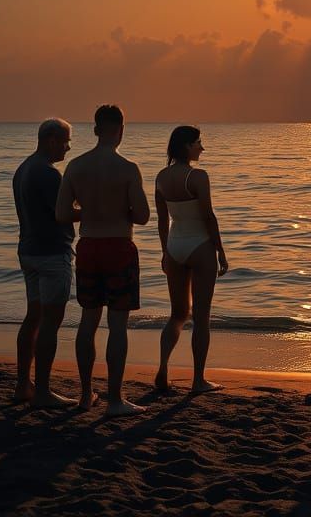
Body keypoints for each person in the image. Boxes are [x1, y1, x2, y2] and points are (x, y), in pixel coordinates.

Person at [55, 104, 150, 416]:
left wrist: (90, 211)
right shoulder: (128, 168)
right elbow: (143, 216)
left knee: (88, 321)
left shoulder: (76, 166)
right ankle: (115, 398)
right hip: (119, 247)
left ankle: (85, 394)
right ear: (121, 130)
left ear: (95, 129)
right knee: (118, 325)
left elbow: (62, 214)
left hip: (89, 247)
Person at [153, 125, 229, 394]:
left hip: (174, 245)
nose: (202, 147)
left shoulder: (161, 177)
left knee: (177, 314)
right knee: (201, 317)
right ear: (187, 146)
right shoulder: (197, 176)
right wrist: (220, 250)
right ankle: (198, 380)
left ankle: (162, 369)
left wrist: (164, 251)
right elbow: (208, 216)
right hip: (199, 245)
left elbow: (162, 220)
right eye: (198, 142)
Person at [12, 118, 78, 407]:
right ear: (51, 139)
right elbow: (62, 214)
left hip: (28, 250)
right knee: (50, 323)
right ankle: (42, 391)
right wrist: (97, 209)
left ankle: (23, 384)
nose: (68, 148)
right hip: (51, 252)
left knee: (33, 318)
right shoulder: (49, 174)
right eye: (65, 141)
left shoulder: (23, 169)